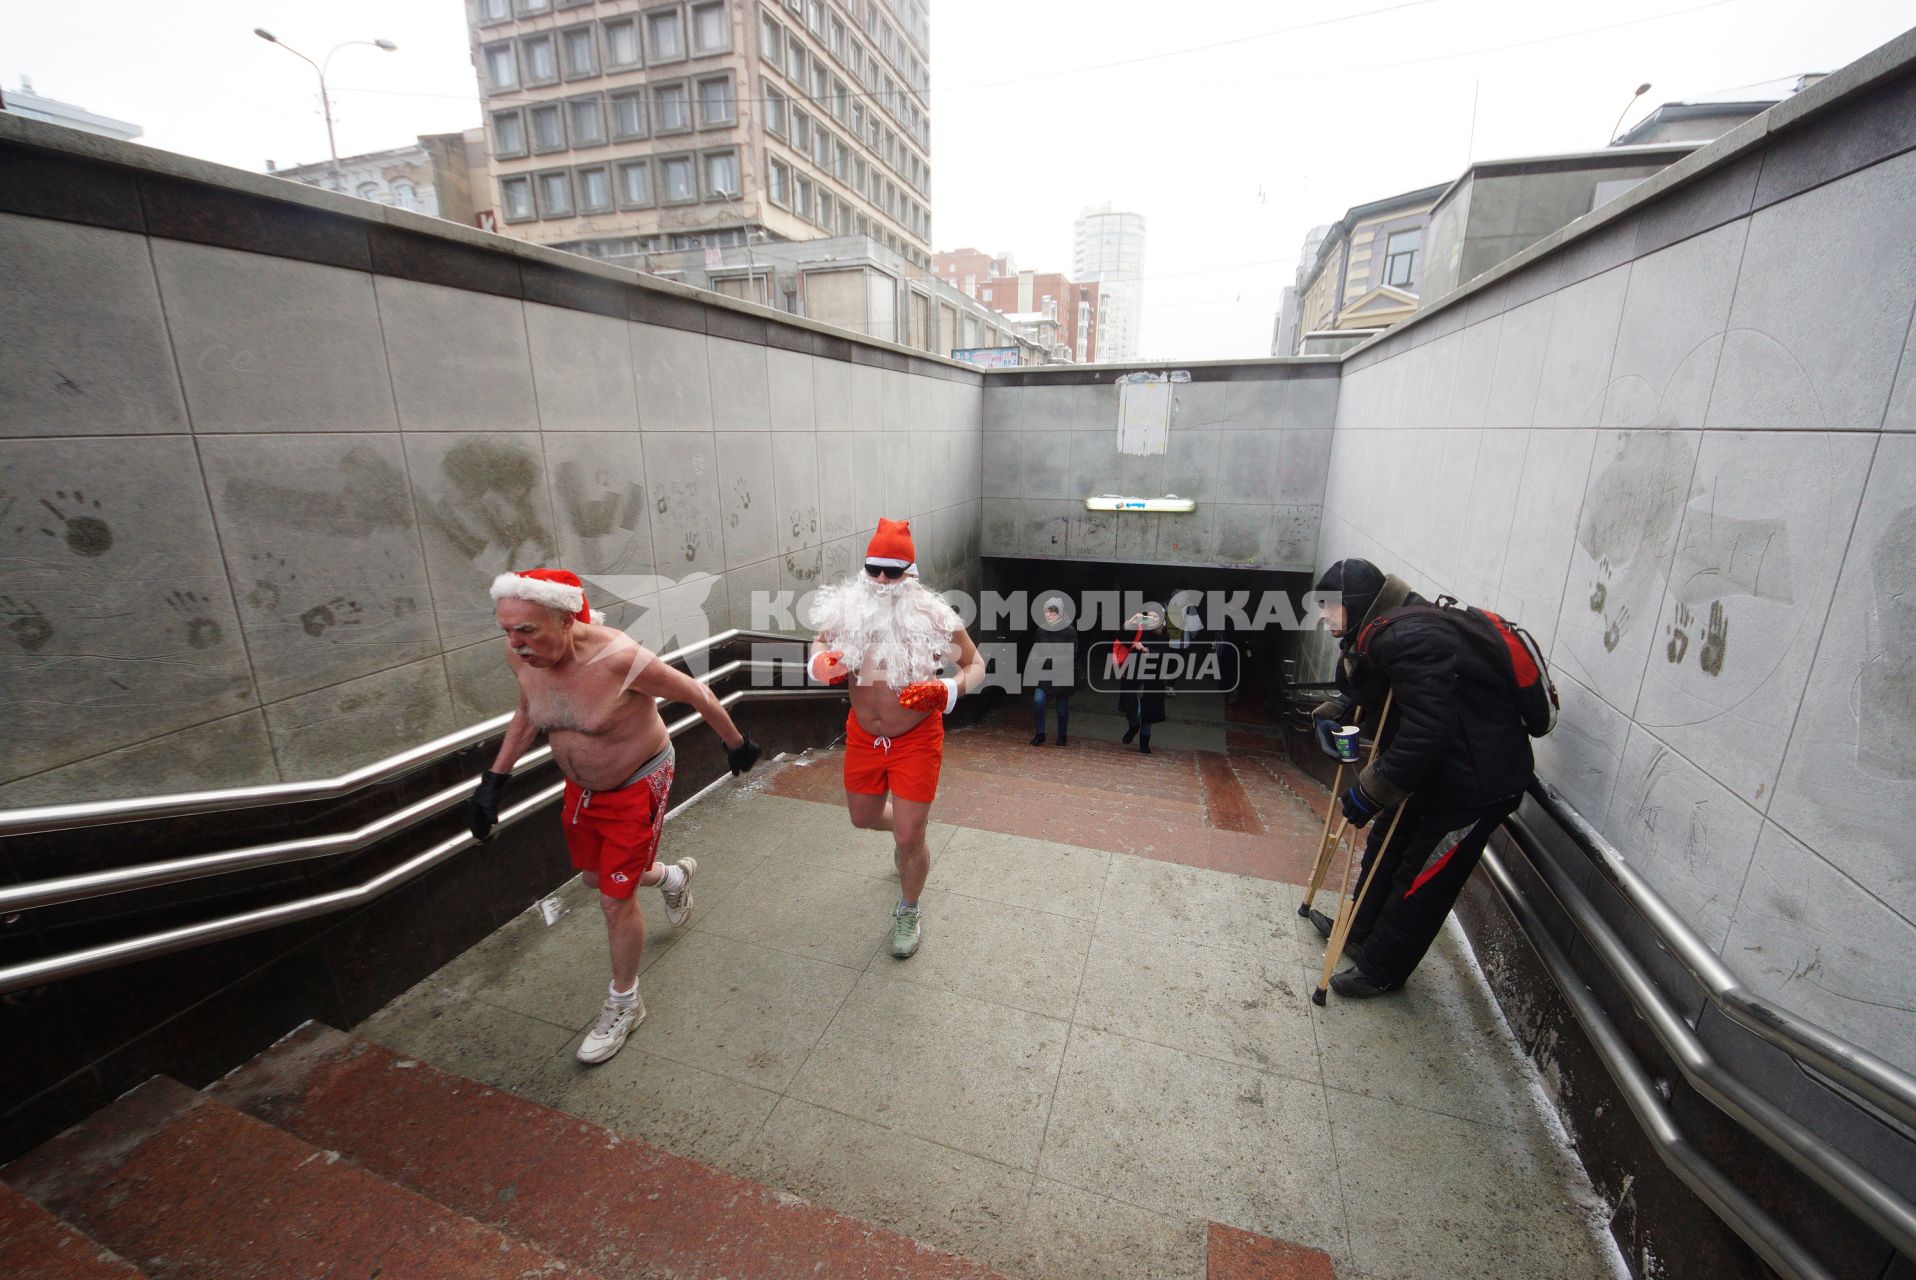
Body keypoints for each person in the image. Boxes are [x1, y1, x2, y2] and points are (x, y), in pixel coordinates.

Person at [467, 568, 762, 1063]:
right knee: (593, 877)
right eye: (508, 631)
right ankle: (670, 878)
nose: (516, 643)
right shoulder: (525, 656)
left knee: (613, 898)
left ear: (564, 618)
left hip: (636, 783)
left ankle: (624, 1003)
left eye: (527, 629)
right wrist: (493, 781)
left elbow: (697, 693)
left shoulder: (620, 658)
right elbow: (527, 711)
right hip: (582, 791)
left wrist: (737, 743)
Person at [1307, 558, 1534, 999]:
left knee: (1420, 879)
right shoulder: (1388, 628)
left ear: (1354, 604)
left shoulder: (1410, 635)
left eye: (1329, 606)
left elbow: (1429, 729)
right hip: (1431, 774)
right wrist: (1336, 710)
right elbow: (1376, 686)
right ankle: (1357, 932)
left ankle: (1381, 970)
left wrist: (1372, 791)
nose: (1323, 615)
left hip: (1473, 786)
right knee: (1385, 850)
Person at [805, 518, 985, 959]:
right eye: (874, 570)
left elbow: (975, 666)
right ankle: (909, 835)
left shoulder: (934, 615)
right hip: (864, 735)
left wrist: (945, 690)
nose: (882, 580)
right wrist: (819, 664)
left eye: (892, 571)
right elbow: (818, 644)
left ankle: (909, 905)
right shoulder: (847, 609)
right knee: (862, 817)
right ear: (865, 568)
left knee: (908, 836)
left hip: (916, 738)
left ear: (911, 573)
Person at [1116, 611, 1168, 753]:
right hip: (1133, 673)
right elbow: (1121, 637)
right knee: (1133, 709)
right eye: (1149, 616)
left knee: (1148, 712)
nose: (1151, 619)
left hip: (1152, 677)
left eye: (1155, 616)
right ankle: (1133, 727)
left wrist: (1145, 649)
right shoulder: (1139, 629)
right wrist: (1131, 620)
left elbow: (1164, 655)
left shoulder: (1163, 634)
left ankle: (1144, 743)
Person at [1029, 598, 1078, 746]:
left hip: (1063, 674)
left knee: (1062, 709)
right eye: (1046, 611)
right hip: (1044, 673)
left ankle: (1062, 736)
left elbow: (1073, 654)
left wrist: (1051, 660)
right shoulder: (1041, 629)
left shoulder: (1069, 630)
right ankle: (1040, 733)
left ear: (1060, 613)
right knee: (1038, 701)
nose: (1048, 615)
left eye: (1052, 612)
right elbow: (1036, 650)